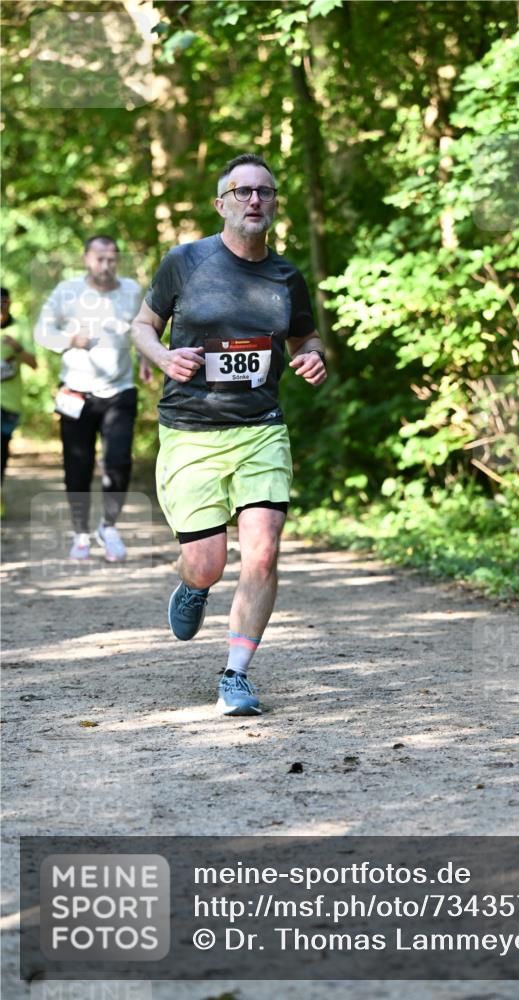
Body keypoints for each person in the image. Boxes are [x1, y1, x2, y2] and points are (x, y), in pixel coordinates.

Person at [132, 153, 327, 716]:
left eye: (264, 192)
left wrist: (313, 359)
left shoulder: (287, 275)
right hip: (191, 431)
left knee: (262, 553)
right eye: (242, 192)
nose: (254, 201)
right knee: (208, 562)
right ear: (221, 204)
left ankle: (235, 674)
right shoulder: (185, 262)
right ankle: (194, 587)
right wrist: (166, 357)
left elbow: (305, 341)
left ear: (274, 204)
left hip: (261, 428)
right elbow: (143, 327)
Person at [34, 236, 151, 562]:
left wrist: (144, 360)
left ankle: (108, 527)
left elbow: (142, 329)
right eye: (99, 259)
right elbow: (41, 332)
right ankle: (80, 533)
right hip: (75, 391)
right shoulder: (67, 291)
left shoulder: (130, 290)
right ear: (86, 258)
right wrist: (70, 338)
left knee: (118, 462)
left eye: (112, 259)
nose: (106, 265)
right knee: (78, 465)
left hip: (120, 390)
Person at [1, 287, 37, 509]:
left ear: (10, 303)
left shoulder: (20, 326)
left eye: (4, 302)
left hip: (9, 402)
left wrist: (17, 348)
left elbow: (33, 363)